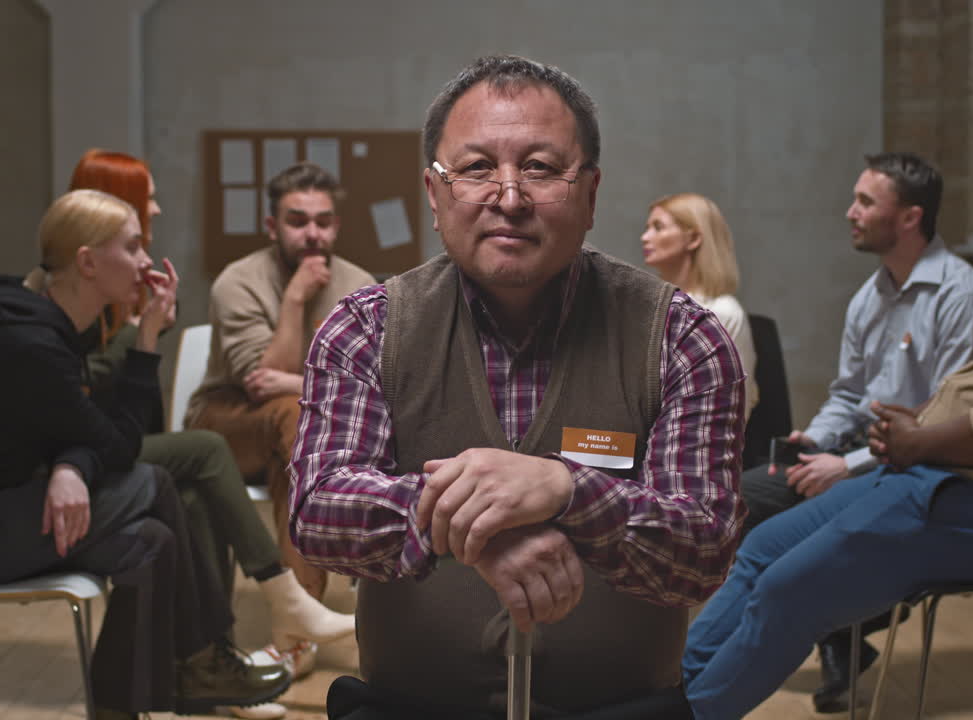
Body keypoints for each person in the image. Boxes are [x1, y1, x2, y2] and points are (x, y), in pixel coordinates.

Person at [289, 55, 745, 719]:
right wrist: (480, 525)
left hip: (620, 708)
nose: (508, 197)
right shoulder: (364, 329)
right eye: (476, 168)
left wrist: (565, 489)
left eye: (540, 167)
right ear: (434, 192)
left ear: (589, 193)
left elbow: (702, 549)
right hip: (409, 707)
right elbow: (317, 511)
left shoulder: (681, 337)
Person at [682, 149, 973, 719]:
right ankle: (670, 697)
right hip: (928, 473)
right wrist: (910, 426)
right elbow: (972, 386)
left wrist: (915, 439)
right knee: (759, 551)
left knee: (788, 590)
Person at [0, 190, 290, 720]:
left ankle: (128, 702)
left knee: (151, 542)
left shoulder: (45, 327)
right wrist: (140, 351)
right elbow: (118, 444)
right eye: (133, 247)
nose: (145, 261)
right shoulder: (26, 344)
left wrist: (72, 463)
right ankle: (202, 660)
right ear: (88, 262)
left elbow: (89, 432)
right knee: (156, 484)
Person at [733, 151, 973, 711]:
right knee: (740, 499)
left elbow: (950, 419)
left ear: (909, 217)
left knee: (808, 527)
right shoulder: (872, 295)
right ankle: (835, 635)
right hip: (867, 454)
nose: (849, 212)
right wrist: (820, 438)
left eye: (864, 201)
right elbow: (850, 394)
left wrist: (848, 467)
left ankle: (831, 633)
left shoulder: (964, 297)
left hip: (932, 470)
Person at [66, 149, 318, 718]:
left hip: (118, 447)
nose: (156, 206)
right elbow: (76, 395)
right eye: (145, 197)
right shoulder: (232, 280)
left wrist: (141, 330)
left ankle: (212, 662)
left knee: (198, 497)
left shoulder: (351, 281)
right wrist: (141, 334)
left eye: (325, 220)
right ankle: (282, 600)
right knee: (215, 446)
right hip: (94, 455)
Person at [187, 162, 372, 659]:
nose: (313, 233)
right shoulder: (238, 281)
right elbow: (262, 387)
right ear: (271, 226)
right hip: (225, 424)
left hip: (305, 436)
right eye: (297, 220)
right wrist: (294, 301)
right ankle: (305, 617)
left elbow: (374, 385)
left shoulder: (360, 286)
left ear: (337, 225)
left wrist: (297, 383)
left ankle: (297, 636)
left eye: (323, 220)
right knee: (298, 414)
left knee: (303, 443)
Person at [642, 192, 758, 421]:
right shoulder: (647, 304)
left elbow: (732, 407)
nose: (645, 237)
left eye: (658, 227)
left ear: (693, 239)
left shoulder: (722, 312)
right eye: (648, 227)